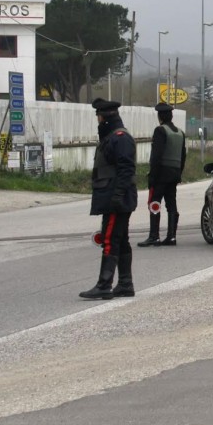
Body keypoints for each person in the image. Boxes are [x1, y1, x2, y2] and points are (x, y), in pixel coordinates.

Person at [79, 99, 138, 300]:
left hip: (116, 199)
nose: (98, 119)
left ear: (105, 117)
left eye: (99, 116)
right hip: (113, 196)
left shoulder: (120, 138)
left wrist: (118, 196)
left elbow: (126, 169)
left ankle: (104, 285)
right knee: (120, 240)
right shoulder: (113, 137)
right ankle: (125, 284)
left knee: (110, 239)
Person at [138, 102, 187, 247]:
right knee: (171, 205)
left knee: (154, 203)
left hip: (161, 174)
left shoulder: (160, 131)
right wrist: (179, 173)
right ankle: (171, 236)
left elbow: (156, 156)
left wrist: (152, 176)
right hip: (174, 174)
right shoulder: (180, 133)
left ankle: (154, 236)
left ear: (160, 116)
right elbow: (183, 156)